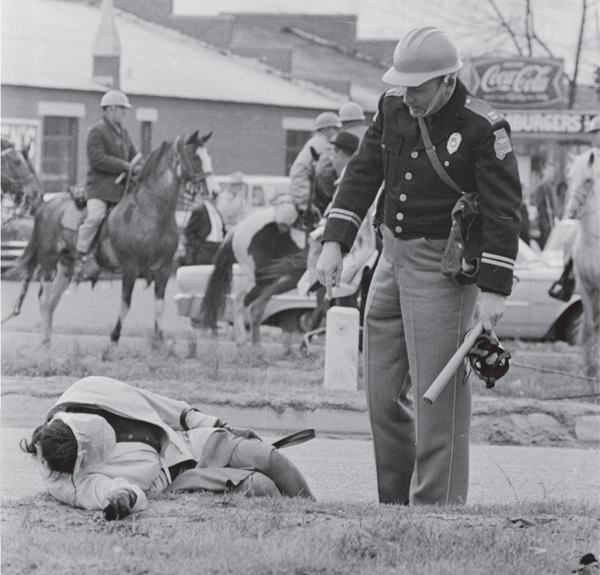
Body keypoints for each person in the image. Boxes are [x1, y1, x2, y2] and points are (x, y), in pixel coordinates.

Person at [316, 27, 522, 506]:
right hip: (391, 257)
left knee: (440, 399)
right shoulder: (392, 106)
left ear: (447, 83)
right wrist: (335, 242)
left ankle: (437, 509)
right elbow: (363, 172)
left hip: (442, 268)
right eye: (403, 85)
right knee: (383, 395)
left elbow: (504, 211)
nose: (408, 96)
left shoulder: (482, 128)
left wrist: (494, 290)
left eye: (419, 88)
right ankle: (395, 504)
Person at [21, 376, 315, 521]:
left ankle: (315, 515)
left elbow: (166, 407)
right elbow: (108, 492)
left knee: (269, 457)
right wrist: (121, 499)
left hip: (187, 442)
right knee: (260, 486)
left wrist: (219, 424)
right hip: (175, 477)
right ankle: (294, 527)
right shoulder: (64, 478)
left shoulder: (90, 389)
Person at [74, 90, 141, 281]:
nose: (124, 113)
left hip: (120, 190)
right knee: (95, 217)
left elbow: (132, 156)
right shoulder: (96, 131)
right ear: (111, 109)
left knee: (133, 215)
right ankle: (80, 254)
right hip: (100, 189)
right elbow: (97, 159)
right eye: (122, 109)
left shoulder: (124, 133)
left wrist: (140, 168)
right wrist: (125, 166)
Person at [313, 103, 369, 215]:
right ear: (362, 119)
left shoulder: (340, 139)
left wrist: (332, 193)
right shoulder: (374, 134)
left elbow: (322, 170)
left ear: (342, 122)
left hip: (346, 191)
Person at [289, 111, 341, 214]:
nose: (338, 132)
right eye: (335, 129)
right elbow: (299, 172)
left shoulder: (316, 142)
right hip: (307, 196)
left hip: (306, 193)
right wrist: (306, 202)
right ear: (325, 129)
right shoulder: (321, 143)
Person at [533, 159, 559, 249]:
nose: (552, 173)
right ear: (544, 171)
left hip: (553, 222)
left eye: (553, 171)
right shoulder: (542, 186)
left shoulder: (551, 185)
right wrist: (546, 226)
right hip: (546, 224)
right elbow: (540, 207)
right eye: (549, 170)